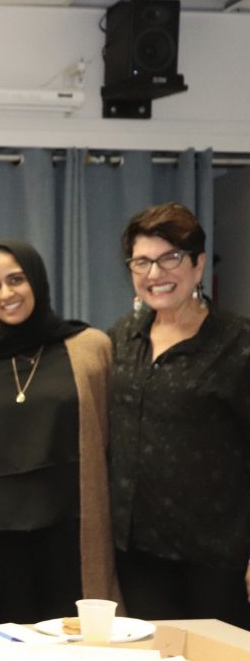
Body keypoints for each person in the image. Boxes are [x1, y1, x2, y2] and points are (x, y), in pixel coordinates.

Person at [0, 239, 120, 625]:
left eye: (16, 279)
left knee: (79, 645)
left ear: (37, 280)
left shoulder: (92, 348)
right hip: (1, 543)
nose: (6, 294)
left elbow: (116, 449)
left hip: (74, 532)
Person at [109, 202, 250, 628]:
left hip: (218, 555)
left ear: (198, 264)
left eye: (170, 258)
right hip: (140, 554)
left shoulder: (237, 344)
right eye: (142, 261)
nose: (155, 274)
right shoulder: (121, 338)